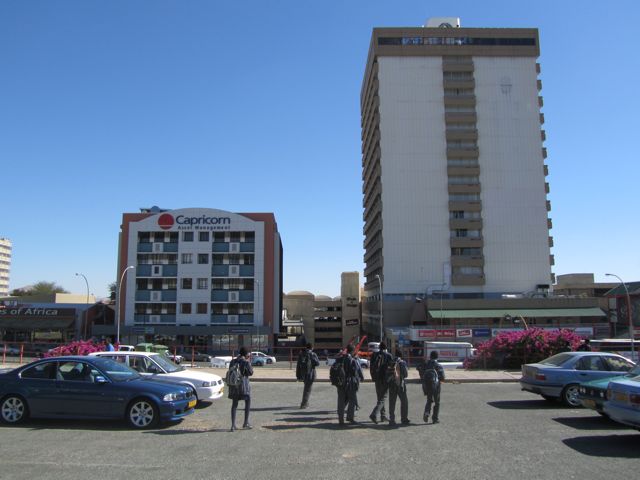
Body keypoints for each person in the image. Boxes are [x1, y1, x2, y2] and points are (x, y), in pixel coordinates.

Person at [336, 344, 364, 425]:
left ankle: (341, 420)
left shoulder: (339, 359)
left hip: (340, 382)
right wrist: (361, 378)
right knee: (352, 400)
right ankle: (350, 417)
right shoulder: (353, 360)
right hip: (350, 382)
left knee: (341, 400)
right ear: (352, 351)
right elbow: (358, 371)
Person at [227, 347, 254, 431]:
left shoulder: (233, 361)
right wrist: (248, 361)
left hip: (234, 386)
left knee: (234, 404)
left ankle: (233, 425)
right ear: (246, 354)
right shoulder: (245, 362)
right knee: (248, 400)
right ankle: (245, 422)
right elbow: (251, 372)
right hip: (243, 387)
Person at [369, 341, 393, 424]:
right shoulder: (388, 356)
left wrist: (373, 378)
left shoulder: (374, 355)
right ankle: (374, 414)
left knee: (379, 398)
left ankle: (383, 416)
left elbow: (371, 367)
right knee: (383, 398)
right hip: (385, 380)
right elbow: (391, 369)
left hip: (377, 379)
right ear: (386, 348)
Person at [418, 350, 445, 424]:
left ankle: (427, 412)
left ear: (430, 356)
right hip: (436, 385)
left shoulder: (426, 364)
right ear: (437, 357)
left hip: (427, 385)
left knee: (429, 400)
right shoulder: (438, 365)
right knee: (437, 402)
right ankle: (435, 418)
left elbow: (419, 369)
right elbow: (442, 377)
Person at [387, 350, 410, 426]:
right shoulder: (402, 362)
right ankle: (404, 419)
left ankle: (392, 419)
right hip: (400, 384)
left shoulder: (391, 361)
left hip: (391, 384)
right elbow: (405, 375)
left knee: (392, 402)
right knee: (404, 402)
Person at [296, 343, 320, 408]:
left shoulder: (301, 354)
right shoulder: (313, 354)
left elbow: (298, 365)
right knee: (307, 389)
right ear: (312, 348)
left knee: (307, 388)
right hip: (311, 374)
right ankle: (304, 404)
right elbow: (317, 363)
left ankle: (306, 402)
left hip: (303, 374)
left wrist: (298, 375)